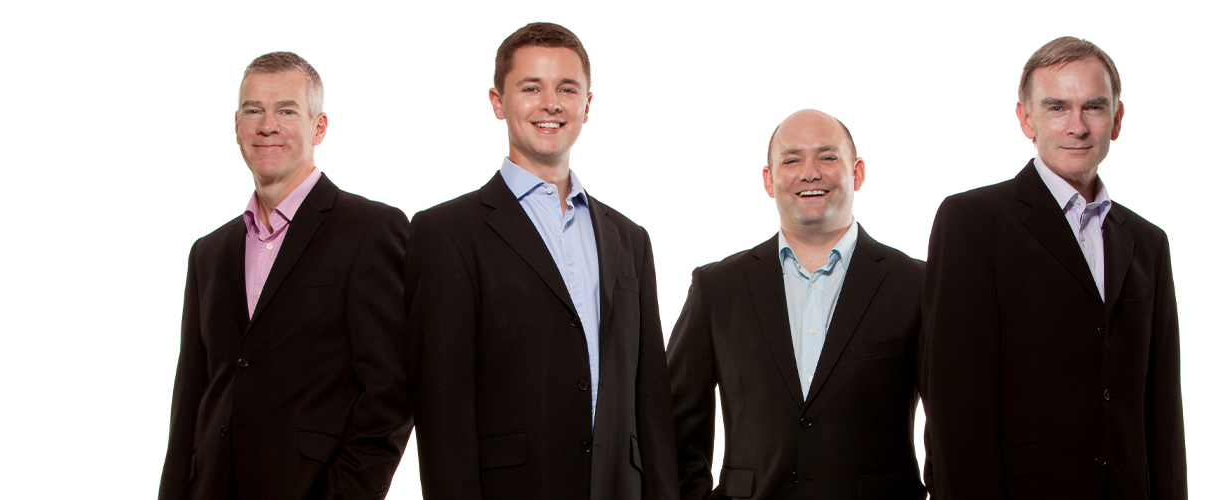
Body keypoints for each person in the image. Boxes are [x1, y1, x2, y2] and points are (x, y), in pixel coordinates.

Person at [406, 22, 678, 500]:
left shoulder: (629, 239)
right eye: (531, 88)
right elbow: (442, 412)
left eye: (566, 88)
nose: (550, 103)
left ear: (587, 105)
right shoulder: (446, 233)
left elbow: (649, 399)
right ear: (497, 102)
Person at [920, 37, 1186, 499]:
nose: (1077, 127)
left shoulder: (1148, 242)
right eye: (1058, 107)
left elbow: (1162, 412)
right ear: (1027, 119)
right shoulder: (973, 222)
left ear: (1117, 120)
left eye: (1094, 108)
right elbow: (954, 406)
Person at [158, 52, 413, 500]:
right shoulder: (209, 253)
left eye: (286, 110)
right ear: (236, 125)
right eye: (254, 110)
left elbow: (390, 394)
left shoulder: (370, 230)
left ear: (319, 127)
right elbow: (190, 407)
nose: (267, 125)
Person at [668, 109, 928, 499]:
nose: (810, 172)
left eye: (827, 157)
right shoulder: (717, 288)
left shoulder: (917, 285)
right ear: (769, 181)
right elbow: (675, 426)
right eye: (791, 160)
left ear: (856, 173)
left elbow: (953, 427)